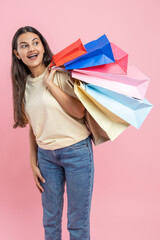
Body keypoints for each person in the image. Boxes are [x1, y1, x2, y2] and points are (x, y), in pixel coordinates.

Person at [11, 26, 94, 240]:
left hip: (76, 152)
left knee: (77, 223)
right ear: (17, 54)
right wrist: (33, 162)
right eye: (24, 45)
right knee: (50, 222)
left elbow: (79, 111)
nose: (31, 48)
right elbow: (34, 126)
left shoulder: (59, 71)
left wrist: (50, 84)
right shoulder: (23, 86)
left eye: (35, 42)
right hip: (46, 158)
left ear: (43, 45)